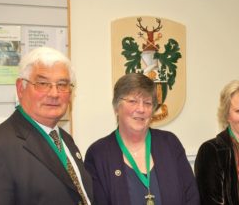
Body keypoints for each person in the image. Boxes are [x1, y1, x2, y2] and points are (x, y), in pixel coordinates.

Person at [0, 47, 93, 204]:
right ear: (20, 88)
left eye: (62, 84)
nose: (54, 93)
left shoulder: (65, 140)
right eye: (43, 83)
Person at [84, 73, 200, 205]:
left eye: (147, 103)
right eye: (133, 101)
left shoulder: (170, 144)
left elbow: (192, 197)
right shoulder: (98, 154)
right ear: (116, 107)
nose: (141, 109)